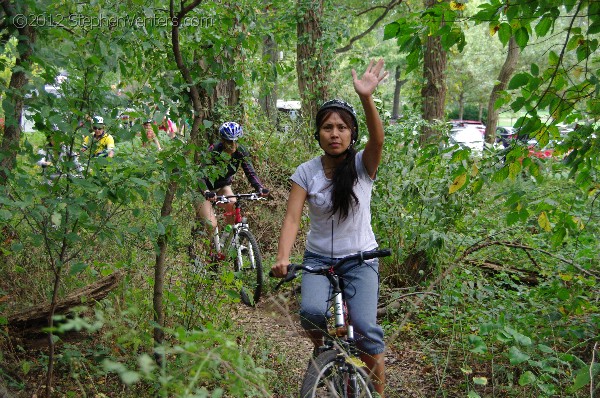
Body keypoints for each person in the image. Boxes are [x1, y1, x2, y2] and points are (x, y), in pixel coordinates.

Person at [270, 58, 388, 396]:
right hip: (318, 259)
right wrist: (282, 257)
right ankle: (324, 352)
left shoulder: (362, 164)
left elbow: (378, 141)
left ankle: (377, 393)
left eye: (341, 127)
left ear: (352, 133)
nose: (334, 133)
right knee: (309, 313)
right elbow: (292, 217)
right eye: (327, 127)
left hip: (362, 259)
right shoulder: (305, 172)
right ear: (318, 133)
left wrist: (366, 98)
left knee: (365, 329)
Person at [197, 121, 269, 231]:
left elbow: (250, 172)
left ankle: (231, 240)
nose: (232, 144)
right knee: (212, 225)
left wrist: (260, 187)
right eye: (229, 141)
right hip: (203, 191)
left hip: (222, 187)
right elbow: (200, 175)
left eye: (235, 141)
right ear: (222, 140)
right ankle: (211, 247)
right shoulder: (214, 150)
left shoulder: (241, 152)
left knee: (233, 203)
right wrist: (206, 191)